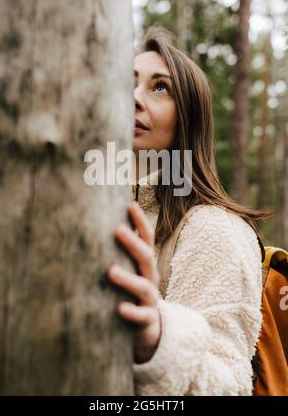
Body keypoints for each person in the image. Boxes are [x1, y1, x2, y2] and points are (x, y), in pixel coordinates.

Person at [106, 27, 270, 396]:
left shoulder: (214, 229)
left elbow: (229, 384)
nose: (133, 98)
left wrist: (158, 340)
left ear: (188, 120)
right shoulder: (88, 217)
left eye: (159, 87)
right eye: (126, 83)